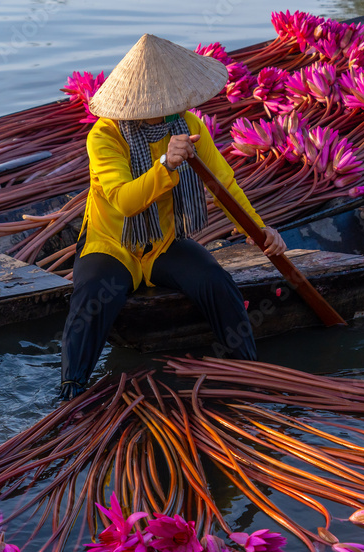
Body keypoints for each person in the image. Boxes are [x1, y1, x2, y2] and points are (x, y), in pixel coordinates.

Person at [59, 34, 286, 400]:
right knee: (94, 295)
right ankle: (71, 390)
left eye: (174, 100)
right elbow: (124, 202)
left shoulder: (187, 125)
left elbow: (223, 183)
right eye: (161, 102)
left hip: (161, 241)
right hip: (113, 244)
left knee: (214, 280)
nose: (171, 108)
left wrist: (258, 229)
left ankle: (246, 370)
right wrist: (166, 164)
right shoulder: (105, 136)